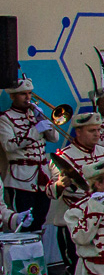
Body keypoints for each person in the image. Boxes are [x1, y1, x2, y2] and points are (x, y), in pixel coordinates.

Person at [46, 110, 104, 275]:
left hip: (102, 222)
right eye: (92, 131)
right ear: (79, 131)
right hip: (73, 224)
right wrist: (62, 183)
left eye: (98, 130)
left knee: (101, 271)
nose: (97, 134)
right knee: (76, 274)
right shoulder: (63, 156)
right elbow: (53, 191)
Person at [0, 76, 59, 229]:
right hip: (21, 178)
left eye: (29, 93)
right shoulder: (6, 118)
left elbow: (54, 139)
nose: (28, 98)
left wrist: (44, 120)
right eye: (23, 94)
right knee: (24, 223)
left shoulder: (35, 114)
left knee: (40, 220)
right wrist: (35, 130)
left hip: (42, 176)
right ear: (13, 96)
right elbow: (9, 146)